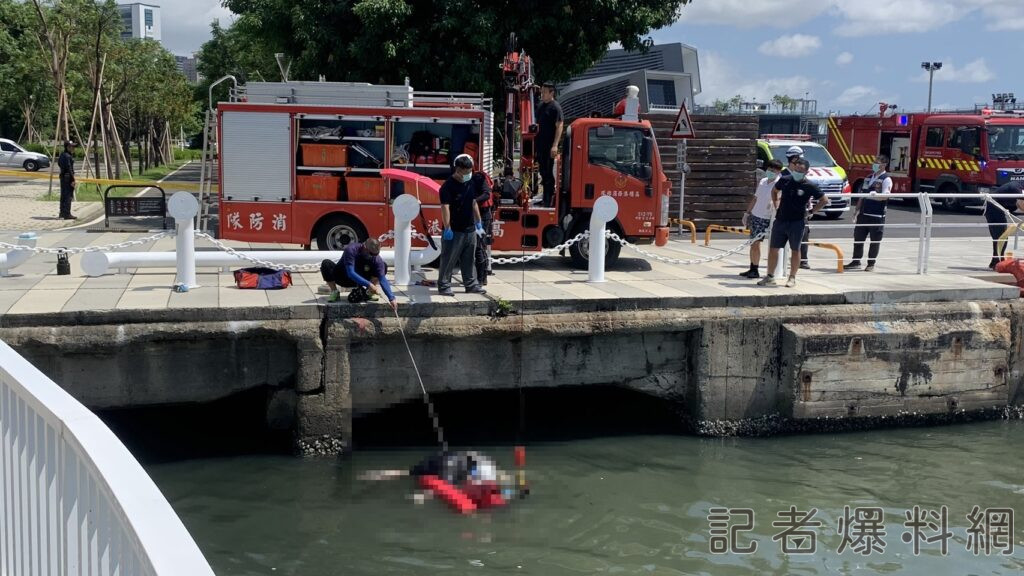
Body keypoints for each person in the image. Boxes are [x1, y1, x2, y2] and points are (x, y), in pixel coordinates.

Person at [758, 157, 829, 288]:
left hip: (797, 222)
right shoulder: (785, 180)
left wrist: (811, 211)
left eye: (800, 170)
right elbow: (775, 191)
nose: (797, 172)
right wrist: (776, 204)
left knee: (795, 250)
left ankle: (792, 277)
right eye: (796, 169)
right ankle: (769, 276)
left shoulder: (809, 185)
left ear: (806, 172)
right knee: (773, 249)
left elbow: (824, 200)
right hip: (780, 220)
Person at [438, 154, 487, 296]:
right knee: (449, 259)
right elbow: (445, 207)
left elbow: (473, 202)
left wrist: (478, 222)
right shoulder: (448, 186)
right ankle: (444, 285)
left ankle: (471, 284)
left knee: (468, 258)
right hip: (454, 230)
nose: (468, 174)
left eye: (470, 171)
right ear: (458, 170)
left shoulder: (470, 182)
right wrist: (447, 228)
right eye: (466, 172)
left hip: (470, 229)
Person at [319, 237, 397, 311]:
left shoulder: (376, 258)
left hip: (362, 278)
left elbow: (382, 279)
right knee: (326, 264)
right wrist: (369, 284)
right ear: (364, 247)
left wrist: (392, 298)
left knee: (383, 266)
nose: (373, 256)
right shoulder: (351, 250)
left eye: (376, 254)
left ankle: (369, 293)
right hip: (344, 276)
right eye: (371, 254)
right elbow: (351, 273)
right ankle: (334, 291)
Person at [846, 155, 893, 272]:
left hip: (877, 216)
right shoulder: (868, 178)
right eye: (874, 162)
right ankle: (856, 261)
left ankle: (871, 264)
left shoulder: (886, 179)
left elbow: (886, 196)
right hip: (863, 214)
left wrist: (875, 197)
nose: (874, 165)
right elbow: (862, 195)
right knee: (858, 239)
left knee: (874, 241)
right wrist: (856, 210)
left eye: (877, 163)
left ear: (883, 165)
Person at [740, 159, 783, 278]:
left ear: (779, 171)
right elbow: (755, 198)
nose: (770, 172)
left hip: (766, 216)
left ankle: (757, 269)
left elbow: (779, 199)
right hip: (755, 214)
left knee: (757, 243)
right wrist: (747, 213)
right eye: (769, 169)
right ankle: (753, 267)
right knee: (753, 243)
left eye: (773, 170)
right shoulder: (763, 181)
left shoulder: (780, 183)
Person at [983, 180, 1024, 269]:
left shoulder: (1019, 186)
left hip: (999, 208)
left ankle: (996, 262)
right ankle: (997, 262)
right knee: (1001, 236)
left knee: (1000, 237)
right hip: (993, 209)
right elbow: (1021, 205)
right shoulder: (1017, 188)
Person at [535, 81, 564, 207]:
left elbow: (559, 126)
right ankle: (545, 198)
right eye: (542, 91)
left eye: (545, 92)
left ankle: (548, 200)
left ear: (552, 92)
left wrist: (555, 145)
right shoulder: (541, 106)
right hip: (540, 145)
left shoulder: (555, 107)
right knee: (542, 172)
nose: (542, 94)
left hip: (548, 146)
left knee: (547, 173)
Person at [473, 169, 494, 286]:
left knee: (479, 247)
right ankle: (481, 277)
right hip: (476, 215)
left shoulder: (478, 177)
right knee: (479, 246)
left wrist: (474, 201)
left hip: (483, 216)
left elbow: (486, 193)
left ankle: (481, 278)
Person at [57, 140, 78, 220]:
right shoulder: (68, 156)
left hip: (62, 176)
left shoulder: (62, 155)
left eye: (73, 146)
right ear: (67, 147)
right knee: (68, 196)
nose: (73, 148)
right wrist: (73, 179)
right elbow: (69, 168)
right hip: (68, 177)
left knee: (63, 195)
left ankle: (62, 213)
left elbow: (59, 163)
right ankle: (67, 214)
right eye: (71, 146)